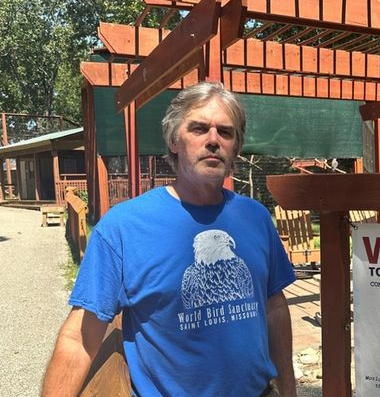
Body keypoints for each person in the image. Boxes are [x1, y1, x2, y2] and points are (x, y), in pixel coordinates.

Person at [41, 82, 297, 396]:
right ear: (175, 140)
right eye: (199, 129)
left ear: (236, 148)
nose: (213, 140)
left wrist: (288, 387)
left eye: (226, 132)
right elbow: (80, 338)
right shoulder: (123, 228)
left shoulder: (255, 218)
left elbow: (274, 308)